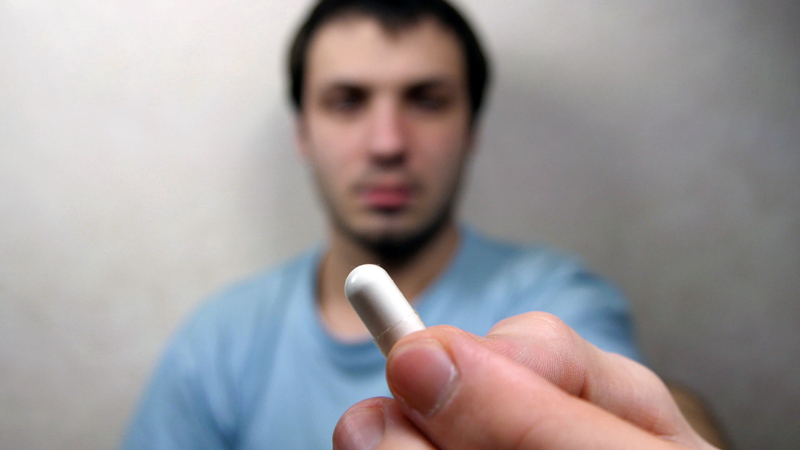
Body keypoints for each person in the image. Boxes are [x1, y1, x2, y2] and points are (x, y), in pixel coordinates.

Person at [123, 0, 718, 448]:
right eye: (347, 101)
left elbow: (643, 403)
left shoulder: (555, 296)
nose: (387, 144)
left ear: (471, 130)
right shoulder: (217, 343)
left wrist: (677, 426)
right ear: (303, 132)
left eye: (427, 100)